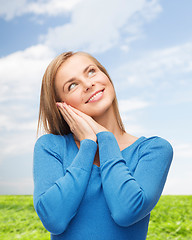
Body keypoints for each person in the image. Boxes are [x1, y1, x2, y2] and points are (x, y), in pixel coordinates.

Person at [33, 51, 173, 240]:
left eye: (91, 72)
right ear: (61, 106)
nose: (88, 84)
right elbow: (53, 219)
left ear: (106, 76)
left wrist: (105, 138)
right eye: (72, 85)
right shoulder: (51, 146)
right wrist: (88, 145)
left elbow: (127, 211)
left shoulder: (154, 149)